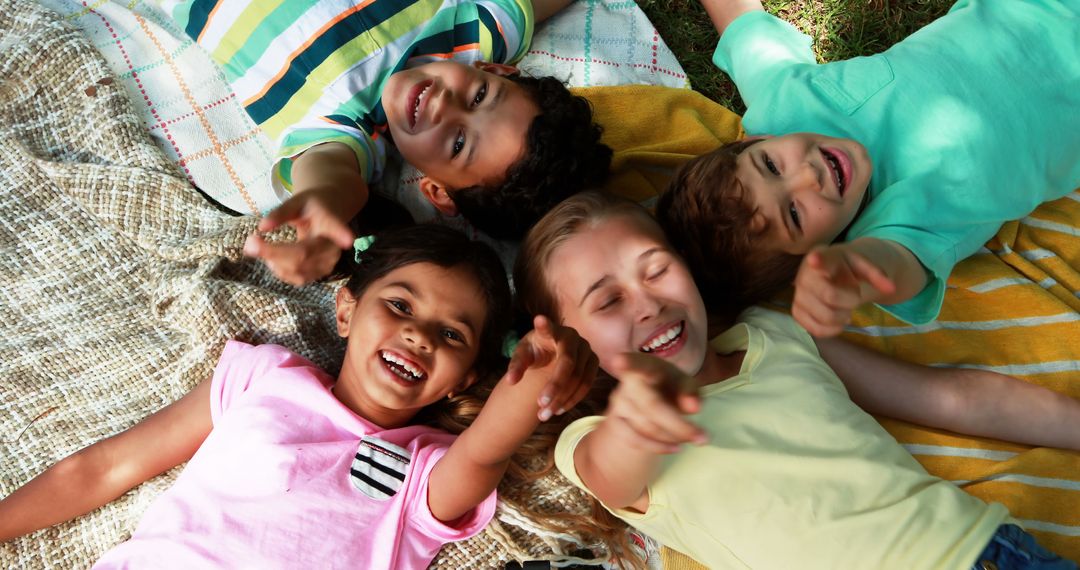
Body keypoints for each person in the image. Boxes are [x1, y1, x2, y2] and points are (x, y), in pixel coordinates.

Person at [514, 191, 1080, 568]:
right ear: (574, 347)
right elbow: (610, 472)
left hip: (987, 551)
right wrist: (639, 414)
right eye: (609, 300)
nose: (649, 303)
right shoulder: (591, 440)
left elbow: (944, 396)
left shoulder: (773, 335)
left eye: (656, 268)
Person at [0, 224, 597, 569]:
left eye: (451, 335)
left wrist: (534, 378)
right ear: (345, 309)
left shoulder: (427, 469)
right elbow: (106, 466)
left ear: (466, 379)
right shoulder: (263, 376)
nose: (418, 335)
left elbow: (488, 450)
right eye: (399, 305)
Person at [656, 0, 1080, 334]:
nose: (807, 175)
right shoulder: (893, 226)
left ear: (756, 140)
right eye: (795, 214)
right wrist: (850, 273)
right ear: (816, 255)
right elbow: (892, 269)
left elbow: (738, 21)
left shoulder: (785, 106)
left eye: (770, 164)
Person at [161, 0, 612, 285]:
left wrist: (325, 208)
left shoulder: (348, 127)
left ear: (436, 190)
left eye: (457, 144)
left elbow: (335, 178)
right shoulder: (477, 31)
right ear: (496, 71)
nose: (445, 104)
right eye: (479, 96)